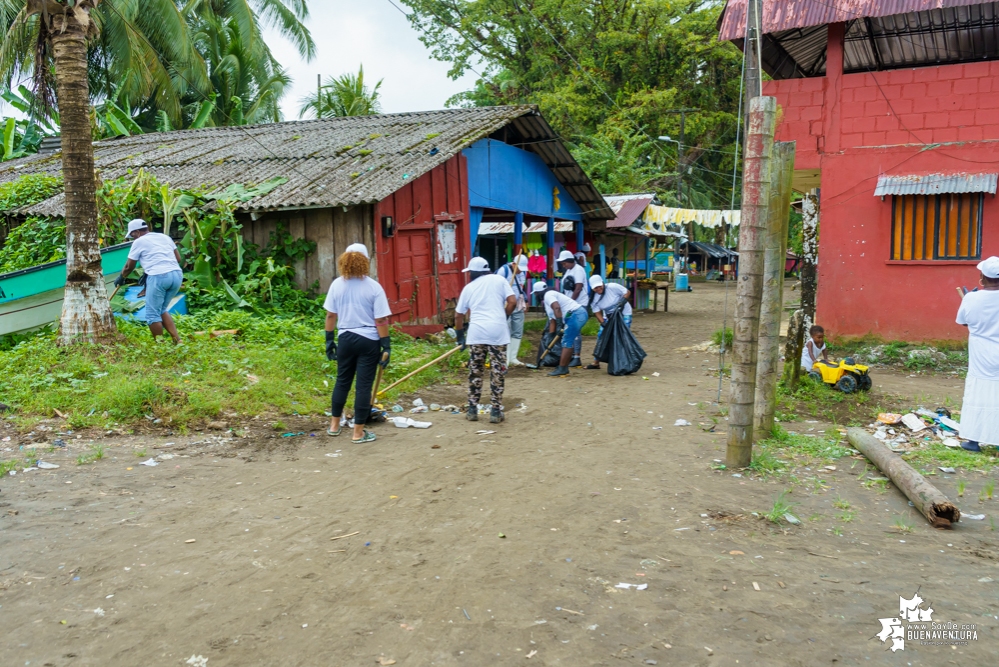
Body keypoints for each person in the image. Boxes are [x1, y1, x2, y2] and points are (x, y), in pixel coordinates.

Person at [324, 243, 392, 444]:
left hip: (345, 338)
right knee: (363, 386)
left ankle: (334, 426)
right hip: (368, 341)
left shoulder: (337, 284)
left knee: (342, 381)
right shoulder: (373, 287)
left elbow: (330, 315)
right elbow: (380, 320)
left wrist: (329, 341)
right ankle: (358, 433)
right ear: (365, 261)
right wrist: (386, 345)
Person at [455, 257, 517, 423]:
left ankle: (472, 409)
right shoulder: (499, 280)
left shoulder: (469, 288)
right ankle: (495, 411)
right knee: (498, 371)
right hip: (498, 332)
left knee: (475, 370)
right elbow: (512, 302)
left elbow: (458, 315)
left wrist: (460, 336)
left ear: (473, 272)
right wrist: (504, 316)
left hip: (476, 333)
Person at [115, 218, 184, 344]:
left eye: (132, 235)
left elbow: (129, 266)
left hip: (159, 276)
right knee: (162, 310)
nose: (132, 238)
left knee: (152, 315)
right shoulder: (164, 237)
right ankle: (177, 340)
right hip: (177, 275)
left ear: (137, 232)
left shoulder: (139, 241)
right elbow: (178, 258)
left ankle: (161, 345)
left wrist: (121, 277)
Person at [956, 256, 999, 452]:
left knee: (978, 392)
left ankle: (973, 440)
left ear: (982, 278)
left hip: (980, 353)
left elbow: (965, 322)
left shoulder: (971, 298)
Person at [533, 280, 588, 377]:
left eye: (535, 294)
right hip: (573, 315)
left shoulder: (548, 295)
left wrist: (560, 324)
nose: (535, 296)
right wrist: (551, 336)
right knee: (567, 341)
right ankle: (563, 367)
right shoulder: (547, 301)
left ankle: (562, 368)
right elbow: (552, 320)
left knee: (567, 341)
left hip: (576, 314)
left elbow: (557, 308)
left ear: (538, 293)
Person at [585, 274, 631, 370]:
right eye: (595, 288)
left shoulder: (613, 287)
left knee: (622, 336)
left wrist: (622, 302)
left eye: (599, 286)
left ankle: (623, 361)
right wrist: (603, 323)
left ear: (603, 283)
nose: (598, 289)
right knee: (601, 336)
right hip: (609, 317)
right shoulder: (594, 299)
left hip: (624, 313)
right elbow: (597, 313)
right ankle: (596, 362)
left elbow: (627, 292)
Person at [557, 249, 589, 367]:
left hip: (578, 303)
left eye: (564, 263)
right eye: (562, 264)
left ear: (570, 261)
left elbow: (578, 288)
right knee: (571, 330)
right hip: (570, 305)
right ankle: (571, 355)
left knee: (575, 330)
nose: (563, 265)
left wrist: (570, 302)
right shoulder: (568, 271)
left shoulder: (578, 270)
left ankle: (577, 357)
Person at [495, 254, 529, 366]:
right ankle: (505, 359)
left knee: (517, 331)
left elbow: (521, 288)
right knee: (506, 331)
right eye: (519, 268)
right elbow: (496, 288)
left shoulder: (522, 273)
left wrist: (526, 300)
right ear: (514, 264)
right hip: (506, 305)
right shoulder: (503, 271)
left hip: (518, 303)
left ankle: (513, 357)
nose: (520, 271)